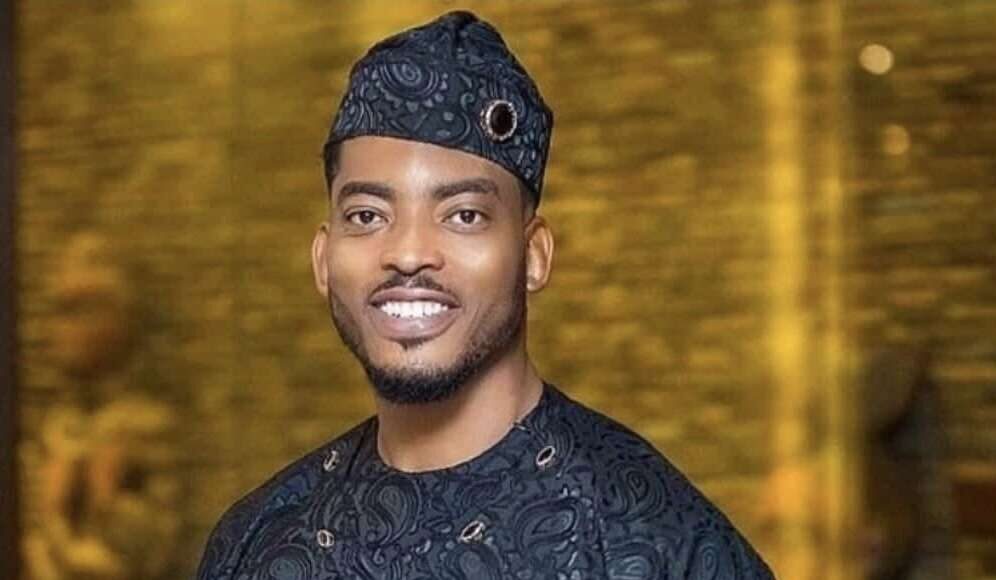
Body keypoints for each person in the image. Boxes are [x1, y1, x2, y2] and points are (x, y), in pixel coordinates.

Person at [196, 10, 775, 579]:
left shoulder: (656, 543)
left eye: (464, 215)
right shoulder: (258, 539)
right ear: (323, 258)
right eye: (368, 215)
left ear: (534, 254)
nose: (408, 253)